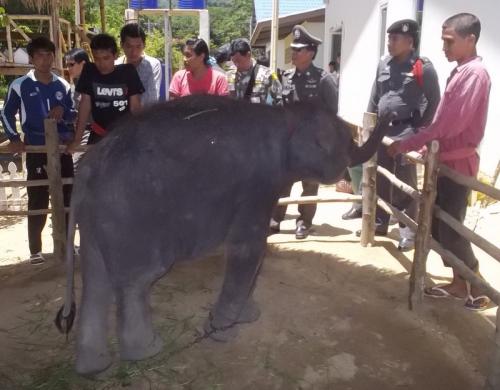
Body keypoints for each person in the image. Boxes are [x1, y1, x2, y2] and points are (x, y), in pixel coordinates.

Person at [388, 13, 491, 310]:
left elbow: (449, 126)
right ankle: (460, 285)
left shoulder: (475, 74)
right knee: (437, 224)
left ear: (469, 39)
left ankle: (479, 286)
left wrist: (408, 143)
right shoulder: (461, 70)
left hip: (458, 164)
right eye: (443, 41)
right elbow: (443, 123)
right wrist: (428, 147)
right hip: (444, 159)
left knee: (451, 228)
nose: (444, 47)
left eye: (449, 41)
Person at [356, 19, 440, 252]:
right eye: (388, 38)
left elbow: (434, 101)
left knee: (405, 183)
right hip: (382, 130)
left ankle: (407, 231)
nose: (389, 43)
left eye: (394, 39)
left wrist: (420, 130)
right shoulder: (384, 64)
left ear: (409, 41)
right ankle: (380, 221)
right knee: (380, 178)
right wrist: (369, 124)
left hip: (405, 131)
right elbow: (375, 96)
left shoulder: (422, 68)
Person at [0, 37, 75, 265]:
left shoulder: (62, 85)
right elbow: (6, 113)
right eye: (40, 55)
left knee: (68, 197)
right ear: (32, 59)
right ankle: (35, 250)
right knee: (38, 198)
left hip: (61, 148)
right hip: (36, 147)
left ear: (54, 56)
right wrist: (14, 137)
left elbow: (73, 114)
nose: (45, 59)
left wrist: (64, 111)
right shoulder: (21, 85)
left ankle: (68, 245)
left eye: (49, 54)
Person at [270, 25, 339, 239]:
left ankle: (304, 222)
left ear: (310, 53)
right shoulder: (286, 77)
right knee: (283, 182)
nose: (293, 53)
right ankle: (275, 218)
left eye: (298, 50)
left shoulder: (324, 79)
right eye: (293, 49)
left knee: (309, 185)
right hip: (289, 142)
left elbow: (332, 111)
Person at [66, 33, 144, 150]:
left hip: (124, 136)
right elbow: (85, 105)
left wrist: (139, 135)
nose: (101, 63)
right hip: (98, 134)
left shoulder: (128, 72)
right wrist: (77, 139)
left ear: (115, 55)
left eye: (106, 58)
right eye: (97, 59)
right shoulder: (89, 71)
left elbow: (135, 108)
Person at [116, 23, 162, 106]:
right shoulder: (115, 65)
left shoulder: (153, 65)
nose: (134, 52)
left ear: (144, 45)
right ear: (122, 45)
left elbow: (151, 99)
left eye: (138, 46)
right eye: (129, 46)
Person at [227, 38, 282, 105]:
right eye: (233, 61)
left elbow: (279, 101)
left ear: (248, 55)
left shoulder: (267, 74)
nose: (236, 64)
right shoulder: (229, 74)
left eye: (238, 61)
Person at [64, 48, 90, 168]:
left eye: (71, 64)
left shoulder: (93, 84)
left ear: (83, 64)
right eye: (67, 65)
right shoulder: (74, 85)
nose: (68, 68)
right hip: (76, 133)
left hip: (90, 132)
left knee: (75, 168)